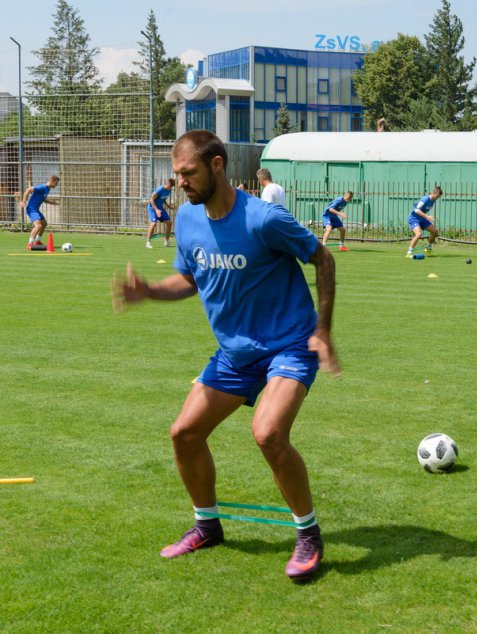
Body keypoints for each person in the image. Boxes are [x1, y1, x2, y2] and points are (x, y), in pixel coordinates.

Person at [112, 130, 340, 582]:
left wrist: (323, 330)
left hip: (289, 345)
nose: (181, 183)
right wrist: (150, 291)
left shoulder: (264, 219)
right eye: (177, 174)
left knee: (268, 433)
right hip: (235, 353)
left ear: (217, 165)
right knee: (184, 434)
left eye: (188, 173)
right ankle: (207, 526)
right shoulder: (187, 219)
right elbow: (190, 280)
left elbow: (323, 259)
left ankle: (308, 534)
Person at [19, 175, 59, 248]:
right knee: (38, 226)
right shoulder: (42, 187)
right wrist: (23, 201)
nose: (56, 185)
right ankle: (30, 243)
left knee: (44, 224)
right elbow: (28, 190)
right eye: (56, 183)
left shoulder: (47, 189)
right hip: (31, 209)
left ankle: (37, 241)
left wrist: (52, 203)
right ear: (51, 181)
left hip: (36, 209)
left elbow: (42, 199)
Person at [406, 186, 442, 257]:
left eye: (439, 197)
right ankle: (409, 252)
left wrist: (426, 217)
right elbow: (416, 210)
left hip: (422, 218)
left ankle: (428, 248)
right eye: (437, 196)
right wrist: (427, 216)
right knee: (419, 234)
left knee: (435, 231)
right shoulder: (425, 199)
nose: (438, 198)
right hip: (414, 218)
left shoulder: (433, 200)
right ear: (434, 193)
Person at [145, 178, 177, 249]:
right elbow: (151, 199)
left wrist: (168, 206)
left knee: (169, 223)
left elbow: (163, 198)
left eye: (172, 186)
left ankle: (166, 241)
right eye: (170, 186)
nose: (171, 188)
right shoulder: (159, 190)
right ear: (167, 184)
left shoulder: (169, 190)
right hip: (152, 208)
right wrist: (156, 210)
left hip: (160, 208)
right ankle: (148, 242)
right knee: (153, 224)